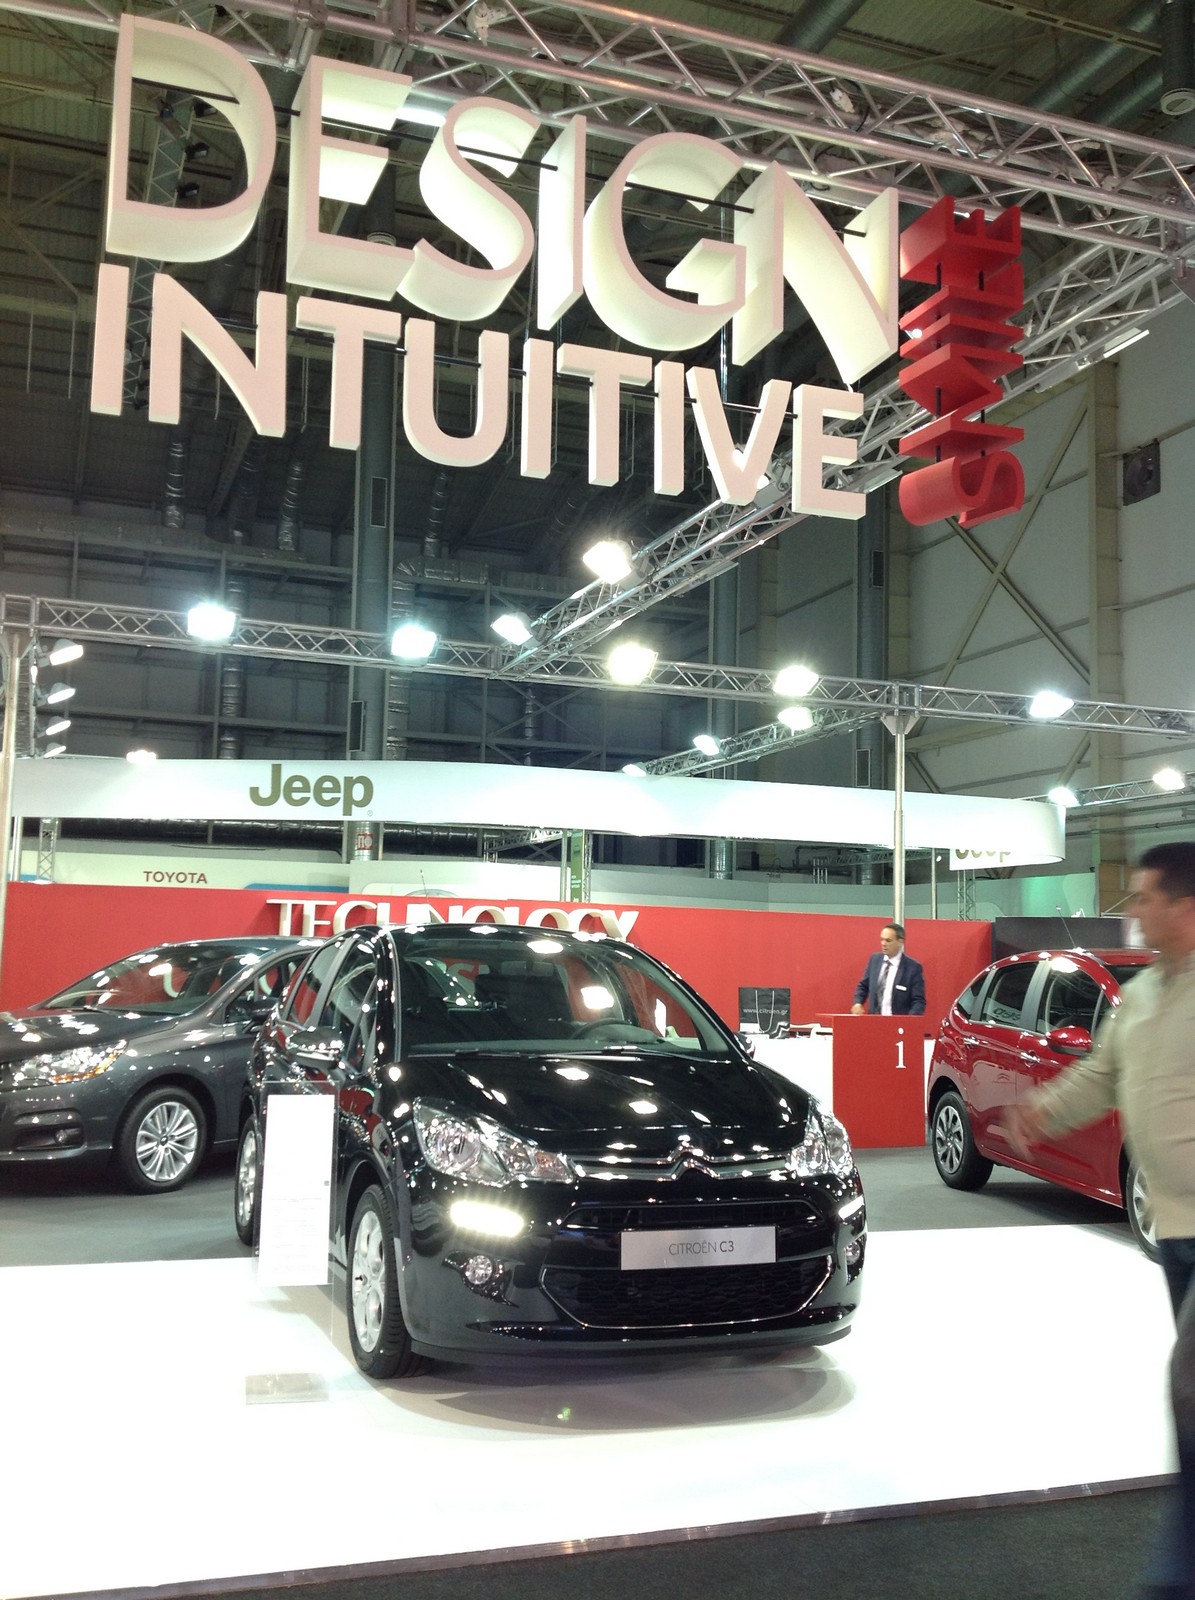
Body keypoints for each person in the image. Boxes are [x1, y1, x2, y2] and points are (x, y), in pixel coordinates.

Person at [1002, 842, 1195, 1600]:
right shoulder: (1141, 996)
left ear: (1185, 907)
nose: (1133, 910)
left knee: (1190, 1390)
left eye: (1145, 897)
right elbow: (1102, 1075)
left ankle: (1175, 1576)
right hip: (1174, 1231)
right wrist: (1042, 1111)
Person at [850, 922, 926, 1016]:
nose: (883, 944)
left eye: (888, 940)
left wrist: (909, 1021)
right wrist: (858, 1002)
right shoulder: (874, 960)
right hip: (874, 1020)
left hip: (898, 1022)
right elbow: (863, 986)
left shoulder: (912, 968)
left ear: (900, 942)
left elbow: (918, 1001)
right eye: (882, 939)